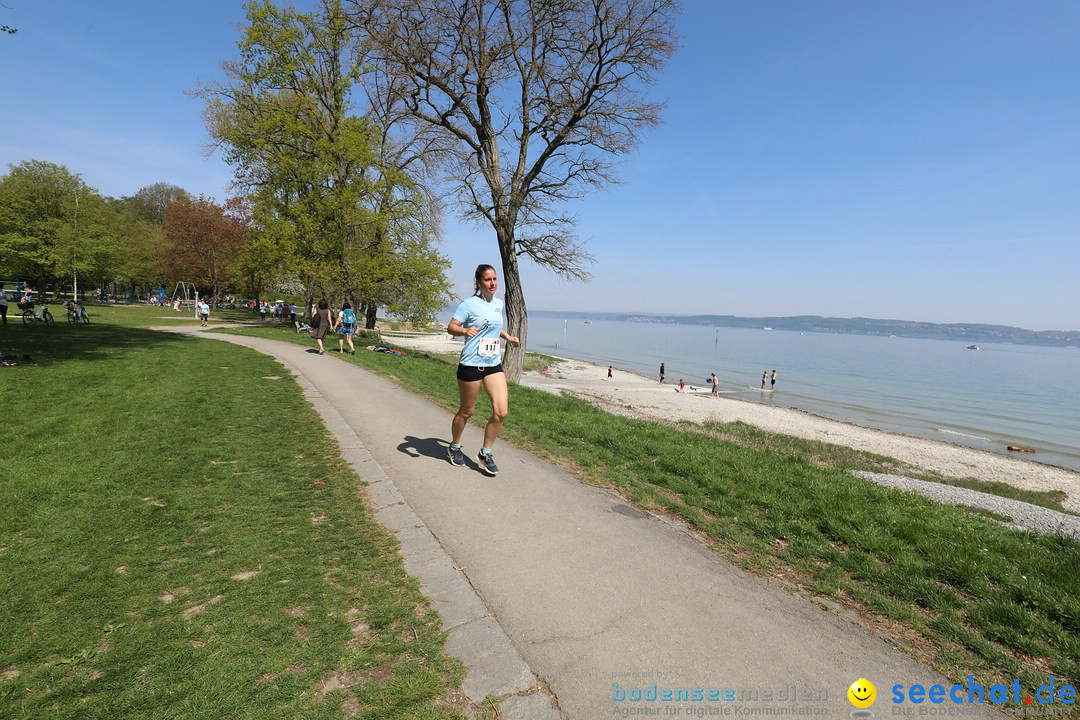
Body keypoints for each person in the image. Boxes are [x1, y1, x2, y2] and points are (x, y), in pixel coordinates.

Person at [446, 264, 520, 476]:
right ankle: (454, 446)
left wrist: (508, 337)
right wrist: (464, 330)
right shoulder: (468, 304)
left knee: (501, 411)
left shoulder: (498, 304)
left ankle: (485, 453)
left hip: (492, 364)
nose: (493, 283)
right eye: (488, 280)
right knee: (467, 411)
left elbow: (494, 326)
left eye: (495, 279)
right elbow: (451, 327)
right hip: (470, 363)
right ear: (478, 282)